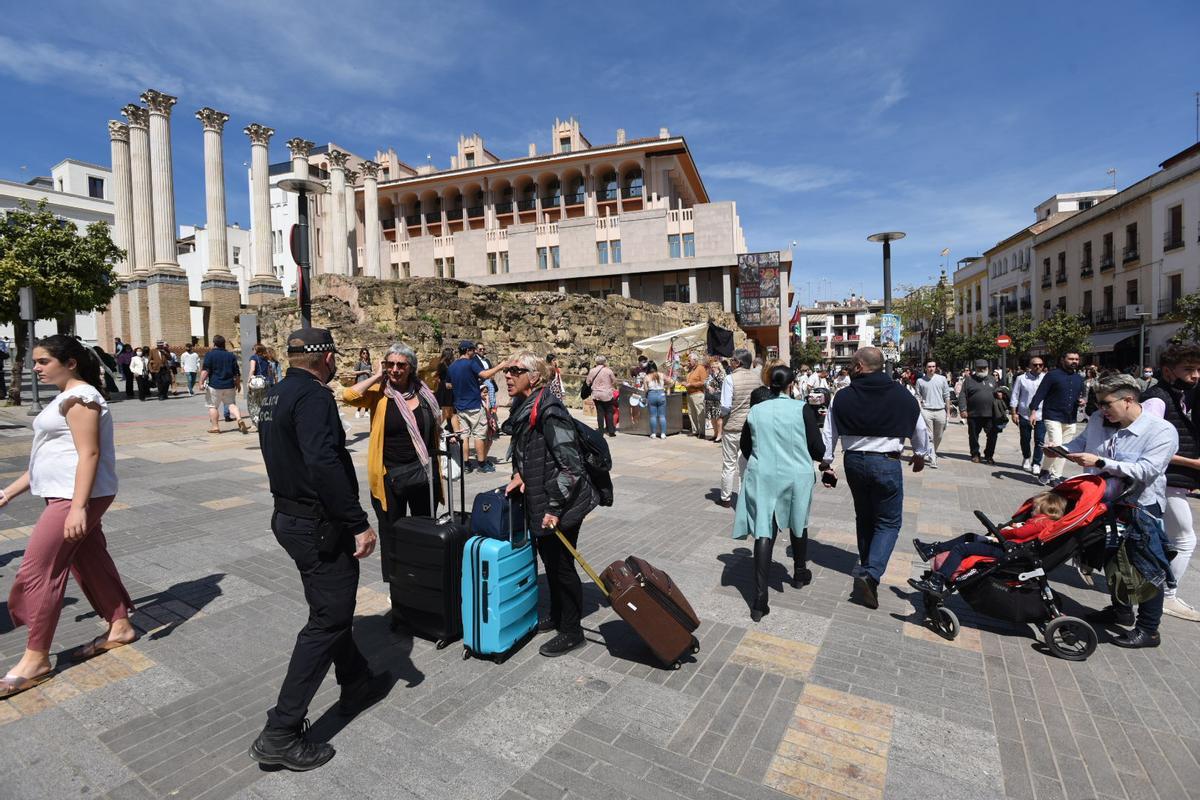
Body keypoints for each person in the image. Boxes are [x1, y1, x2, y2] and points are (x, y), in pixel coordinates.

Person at [249, 327, 384, 771]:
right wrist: (357, 522)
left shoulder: (274, 394)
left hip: (289, 517)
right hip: (317, 523)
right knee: (328, 619)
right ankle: (281, 732)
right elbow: (323, 461)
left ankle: (357, 681)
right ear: (326, 359)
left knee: (333, 606)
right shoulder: (315, 397)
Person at [0, 335, 132, 699]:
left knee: (39, 570)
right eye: (35, 362)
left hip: (76, 497)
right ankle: (119, 625)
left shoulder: (82, 397)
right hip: (67, 493)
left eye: (43, 362)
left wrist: (77, 507)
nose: (35, 368)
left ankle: (36, 658)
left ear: (70, 362)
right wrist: (10, 492)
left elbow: (88, 455)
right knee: (88, 561)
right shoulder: (66, 397)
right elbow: (48, 455)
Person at [1059, 375, 1178, 648]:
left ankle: (1149, 629)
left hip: (1141, 506)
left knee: (1146, 565)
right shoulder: (1100, 421)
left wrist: (1101, 461)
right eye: (1098, 403)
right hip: (1104, 502)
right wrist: (1061, 451)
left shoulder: (1161, 430)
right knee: (1111, 557)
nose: (1101, 409)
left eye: (1105, 404)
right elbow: (1081, 443)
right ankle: (1121, 610)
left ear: (1129, 400)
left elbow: (1147, 471)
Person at [502, 351, 598, 657]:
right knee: (552, 563)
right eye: (506, 370)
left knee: (561, 566)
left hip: (561, 504)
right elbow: (532, 452)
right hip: (543, 499)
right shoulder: (527, 406)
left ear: (533, 377)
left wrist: (554, 509)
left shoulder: (549, 410)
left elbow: (572, 467)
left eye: (514, 370)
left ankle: (572, 630)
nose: (507, 375)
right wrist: (520, 474)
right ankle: (558, 615)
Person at [821, 347, 930, 609]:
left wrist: (826, 462)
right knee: (889, 522)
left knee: (865, 516)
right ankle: (871, 573)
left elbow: (829, 432)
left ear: (859, 366)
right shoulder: (903, 394)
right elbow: (920, 427)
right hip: (887, 462)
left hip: (854, 461)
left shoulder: (843, 396)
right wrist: (920, 454)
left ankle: (868, 565)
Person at [343, 343, 443, 582]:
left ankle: (422, 575)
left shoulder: (424, 391)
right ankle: (397, 583)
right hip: (389, 476)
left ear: (411, 368)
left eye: (401, 365)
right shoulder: (379, 392)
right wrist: (377, 375)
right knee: (392, 533)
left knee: (424, 527)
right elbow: (348, 396)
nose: (395, 369)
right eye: (390, 364)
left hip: (422, 473)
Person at [733, 365, 817, 621]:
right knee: (798, 521)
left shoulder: (756, 410)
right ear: (792, 383)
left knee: (763, 530)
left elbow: (745, 446)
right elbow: (817, 445)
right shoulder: (801, 408)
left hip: (764, 475)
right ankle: (800, 572)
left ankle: (759, 600)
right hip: (796, 475)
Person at [910, 491, 1069, 596]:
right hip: (1007, 546)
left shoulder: (1041, 523)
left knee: (961, 549)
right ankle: (932, 549)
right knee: (970, 536)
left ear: (1046, 509)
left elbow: (1019, 533)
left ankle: (937, 581)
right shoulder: (1042, 522)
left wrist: (1004, 531)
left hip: (1006, 550)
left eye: (1036, 508)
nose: (1032, 510)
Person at [1141, 343, 1200, 621]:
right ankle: (1166, 595)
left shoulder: (1180, 395)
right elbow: (1149, 443)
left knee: (1167, 538)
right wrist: (1192, 464)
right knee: (1186, 538)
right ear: (1167, 371)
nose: (1196, 375)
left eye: (1198, 369)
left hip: (1172, 480)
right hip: (1163, 480)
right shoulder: (1158, 399)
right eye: (1189, 369)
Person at [447, 340, 505, 472]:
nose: (474, 353)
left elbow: (448, 385)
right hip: (474, 405)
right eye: (473, 350)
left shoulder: (452, 366)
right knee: (479, 435)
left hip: (460, 407)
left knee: (464, 436)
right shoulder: (471, 363)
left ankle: (466, 465)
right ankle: (482, 464)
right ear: (468, 351)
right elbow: (485, 374)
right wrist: (500, 366)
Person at [1030, 351, 1086, 486]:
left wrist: (1083, 400)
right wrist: (1033, 411)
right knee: (1056, 445)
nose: (1074, 361)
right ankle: (1046, 471)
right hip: (1052, 415)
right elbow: (1040, 394)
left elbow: (1083, 395)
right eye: (1071, 358)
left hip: (1070, 417)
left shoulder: (1079, 378)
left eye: (1076, 359)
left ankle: (1055, 475)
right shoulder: (1052, 375)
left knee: (1065, 449)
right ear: (1062, 359)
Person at [717, 348, 762, 508]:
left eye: (733, 360)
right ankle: (744, 496)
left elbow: (725, 406)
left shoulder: (730, 379)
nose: (731, 362)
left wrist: (721, 415)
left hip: (733, 427)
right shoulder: (757, 379)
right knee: (746, 464)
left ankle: (726, 497)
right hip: (750, 426)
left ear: (739, 362)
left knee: (729, 464)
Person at [199, 334, 248, 434]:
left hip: (215, 385)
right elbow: (237, 372)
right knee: (231, 404)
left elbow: (206, 370)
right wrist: (238, 384)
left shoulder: (210, 355)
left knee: (213, 406)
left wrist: (201, 382)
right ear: (223, 344)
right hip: (229, 385)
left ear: (214, 343)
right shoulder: (231, 355)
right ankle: (239, 419)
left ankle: (215, 427)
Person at [958, 360, 1000, 464]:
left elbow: (998, 392)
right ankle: (975, 454)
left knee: (992, 435)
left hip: (990, 414)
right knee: (973, 436)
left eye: (984, 368)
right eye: (979, 368)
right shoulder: (968, 380)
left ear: (987, 368)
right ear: (975, 369)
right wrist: (963, 409)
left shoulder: (992, 379)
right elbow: (962, 395)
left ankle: (989, 455)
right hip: (973, 414)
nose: (982, 370)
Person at [1010, 356, 1046, 474]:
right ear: (1030, 366)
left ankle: (1036, 463)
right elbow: (1015, 395)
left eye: (1040, 365)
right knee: (1025, 439)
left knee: (1040, 440)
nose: (1038, 367)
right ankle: (1026, 457)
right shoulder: (1021, 378)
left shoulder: (1046, 378)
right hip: (1024, 414)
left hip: (1041, 414)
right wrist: (1014, 413)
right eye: (1035, 365)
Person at [915, 360, 950, 468]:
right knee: (929, 436)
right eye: (929, 366)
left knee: (938, 435)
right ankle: (933, 457)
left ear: (936, 368)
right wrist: (919, 408)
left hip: (940, 410)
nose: (931, 368)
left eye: (933, 366)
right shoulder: (920, 381)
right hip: (926, 411)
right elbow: (917, 395)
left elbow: (947, 395)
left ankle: (932, 451)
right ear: (925, 368)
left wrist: (948, 412)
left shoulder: (942, 379)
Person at [585, 354, 617, 438]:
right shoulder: (608, 371)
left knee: (600, 413)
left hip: (596, 394)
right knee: (609, 412)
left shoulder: (592, 371)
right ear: (604, 362)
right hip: (607, 394)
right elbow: (614, 380)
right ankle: (611, 431)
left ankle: (601, 431)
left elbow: (588, 382)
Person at [247, 343, 275, 427]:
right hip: (265, 382)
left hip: (256, 383)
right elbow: (270, 372)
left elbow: (252, 370)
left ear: (256, 350)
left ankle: (257, 423)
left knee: (254, 403)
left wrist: (248, 381)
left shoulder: (253, 358)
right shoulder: (266, 359)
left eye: (253, 349)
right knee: (264, 402)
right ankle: (266, 420)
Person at [684, 353, 708, 439]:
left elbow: (704, 382)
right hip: (690, 394)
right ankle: (695, 430)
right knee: (691, 413)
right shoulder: (691, 370)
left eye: (689, 360)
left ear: (695, 360)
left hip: (698, 394)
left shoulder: (700, 368)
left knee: (699, 413)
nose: (688, 362)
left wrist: (691, 384)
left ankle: (702, 432)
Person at [705, 356, 727, 441]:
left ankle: (719, 435)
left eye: (714, 367)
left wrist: (715, 378)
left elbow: (723, 385)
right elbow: (705, 382)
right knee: (712, 417)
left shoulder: (722, 374)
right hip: (710, 399)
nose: (712, 368)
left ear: (718, 367)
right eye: (712, 367)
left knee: (718, 417)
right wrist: (708, 386)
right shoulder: (710, 374)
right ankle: (715, 433)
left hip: (718, 398)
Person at [645, 360, 668, 439]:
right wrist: (665, 387)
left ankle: (653, 434)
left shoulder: (647, 377)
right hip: (661, 394)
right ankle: (663, 434)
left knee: (653, 416)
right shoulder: (661, 375)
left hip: (651, 395)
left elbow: (645, 389)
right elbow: (671, 382)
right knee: (662, 416)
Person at [433, 347, 456, 425]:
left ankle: (449, 427)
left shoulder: (442, 364)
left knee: (449, 410)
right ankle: (438, 427)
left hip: (445, 387)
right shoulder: (445, 364)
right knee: (447, 410)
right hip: (446, 388)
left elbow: (437, 376)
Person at [352, 348, 372, 419]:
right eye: (363, 353)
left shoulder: (369, 363)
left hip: (368, 381)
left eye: (366, 353)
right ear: (361, 354)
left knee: (368, 397)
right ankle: (358, 411)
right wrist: (364, 371)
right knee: (361, 397)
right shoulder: (359, 363)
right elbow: (354, 372)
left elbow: (370, 372)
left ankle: (366, 412)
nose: (365, 354)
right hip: (361, 382)